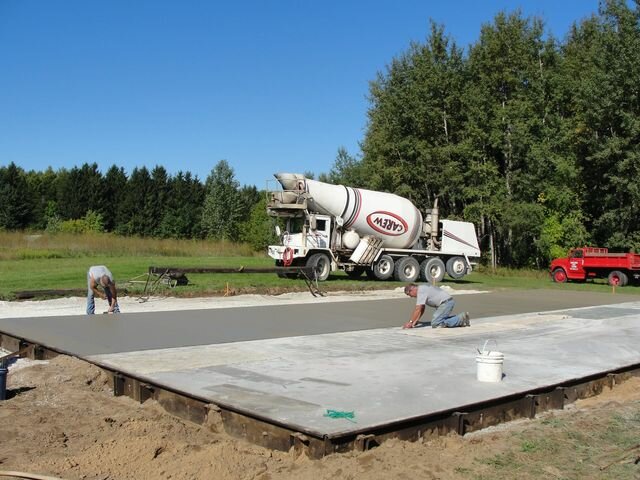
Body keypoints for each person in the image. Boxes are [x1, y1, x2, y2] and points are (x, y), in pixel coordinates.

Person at [402, 283, 469, 329]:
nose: (410, 296)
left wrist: (410, 322)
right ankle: (460, 317)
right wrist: (415, 321)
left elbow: (418, 308)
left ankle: (460, 319)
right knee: (439, 320)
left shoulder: (421, 290)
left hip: (446, 303)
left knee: (436, 323)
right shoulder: (422, 289)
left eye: (409, 294)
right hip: (445, 303)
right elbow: (422, 308)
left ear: (412, 290)